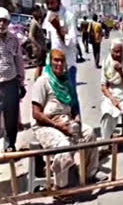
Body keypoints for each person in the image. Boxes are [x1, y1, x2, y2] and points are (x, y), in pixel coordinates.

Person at [32, 49, 107, 190]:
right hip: (45, 125)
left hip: (65, 121)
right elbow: (36, 114)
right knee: (63, 146)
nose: (59, 64)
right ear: (50, 61)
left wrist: (77, 118)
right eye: (56, 60)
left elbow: (73, 107)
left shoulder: (66, 82)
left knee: (89, 133)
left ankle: (91, 173)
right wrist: (58, 126)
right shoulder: (42, 81)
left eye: (62, 60)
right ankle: (61, 188)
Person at [43, 0, 80, 115]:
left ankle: (77, 124)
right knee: (55, 97)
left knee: (71, 96)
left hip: (68, 65)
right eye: (48, 4)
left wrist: (58, 28)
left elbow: (73, 42)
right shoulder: (49, 14)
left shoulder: (69, 16)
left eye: (52, 3)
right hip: (53, 65)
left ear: (58, 1)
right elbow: (49, 38)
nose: (50, 6)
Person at [100, 39, 123, 161]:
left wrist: (121, 72)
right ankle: (105, 146)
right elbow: (103, 87)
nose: (117, 55)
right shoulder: (106, 62)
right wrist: (112, 99)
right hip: (111, 95)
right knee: (106, 114)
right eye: (115, 52)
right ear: (111, 52)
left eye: (120, 52)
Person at [0, 7, 26, 152]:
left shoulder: (13, 39)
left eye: (4, 21)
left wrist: (21, 83)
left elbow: (19, 62)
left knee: (11, 117)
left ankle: (10, 145)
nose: (1, 24)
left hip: (10, 83)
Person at [29, 5, 47, 80]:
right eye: (38, 11)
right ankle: (37, 82)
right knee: (39, 67)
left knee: (40, 67)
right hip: (39, 49)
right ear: (34, 12)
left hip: (41, 48)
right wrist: (38, 46)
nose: (40, 12)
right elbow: (31, 36)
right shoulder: (34, 23)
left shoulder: (37, 22)